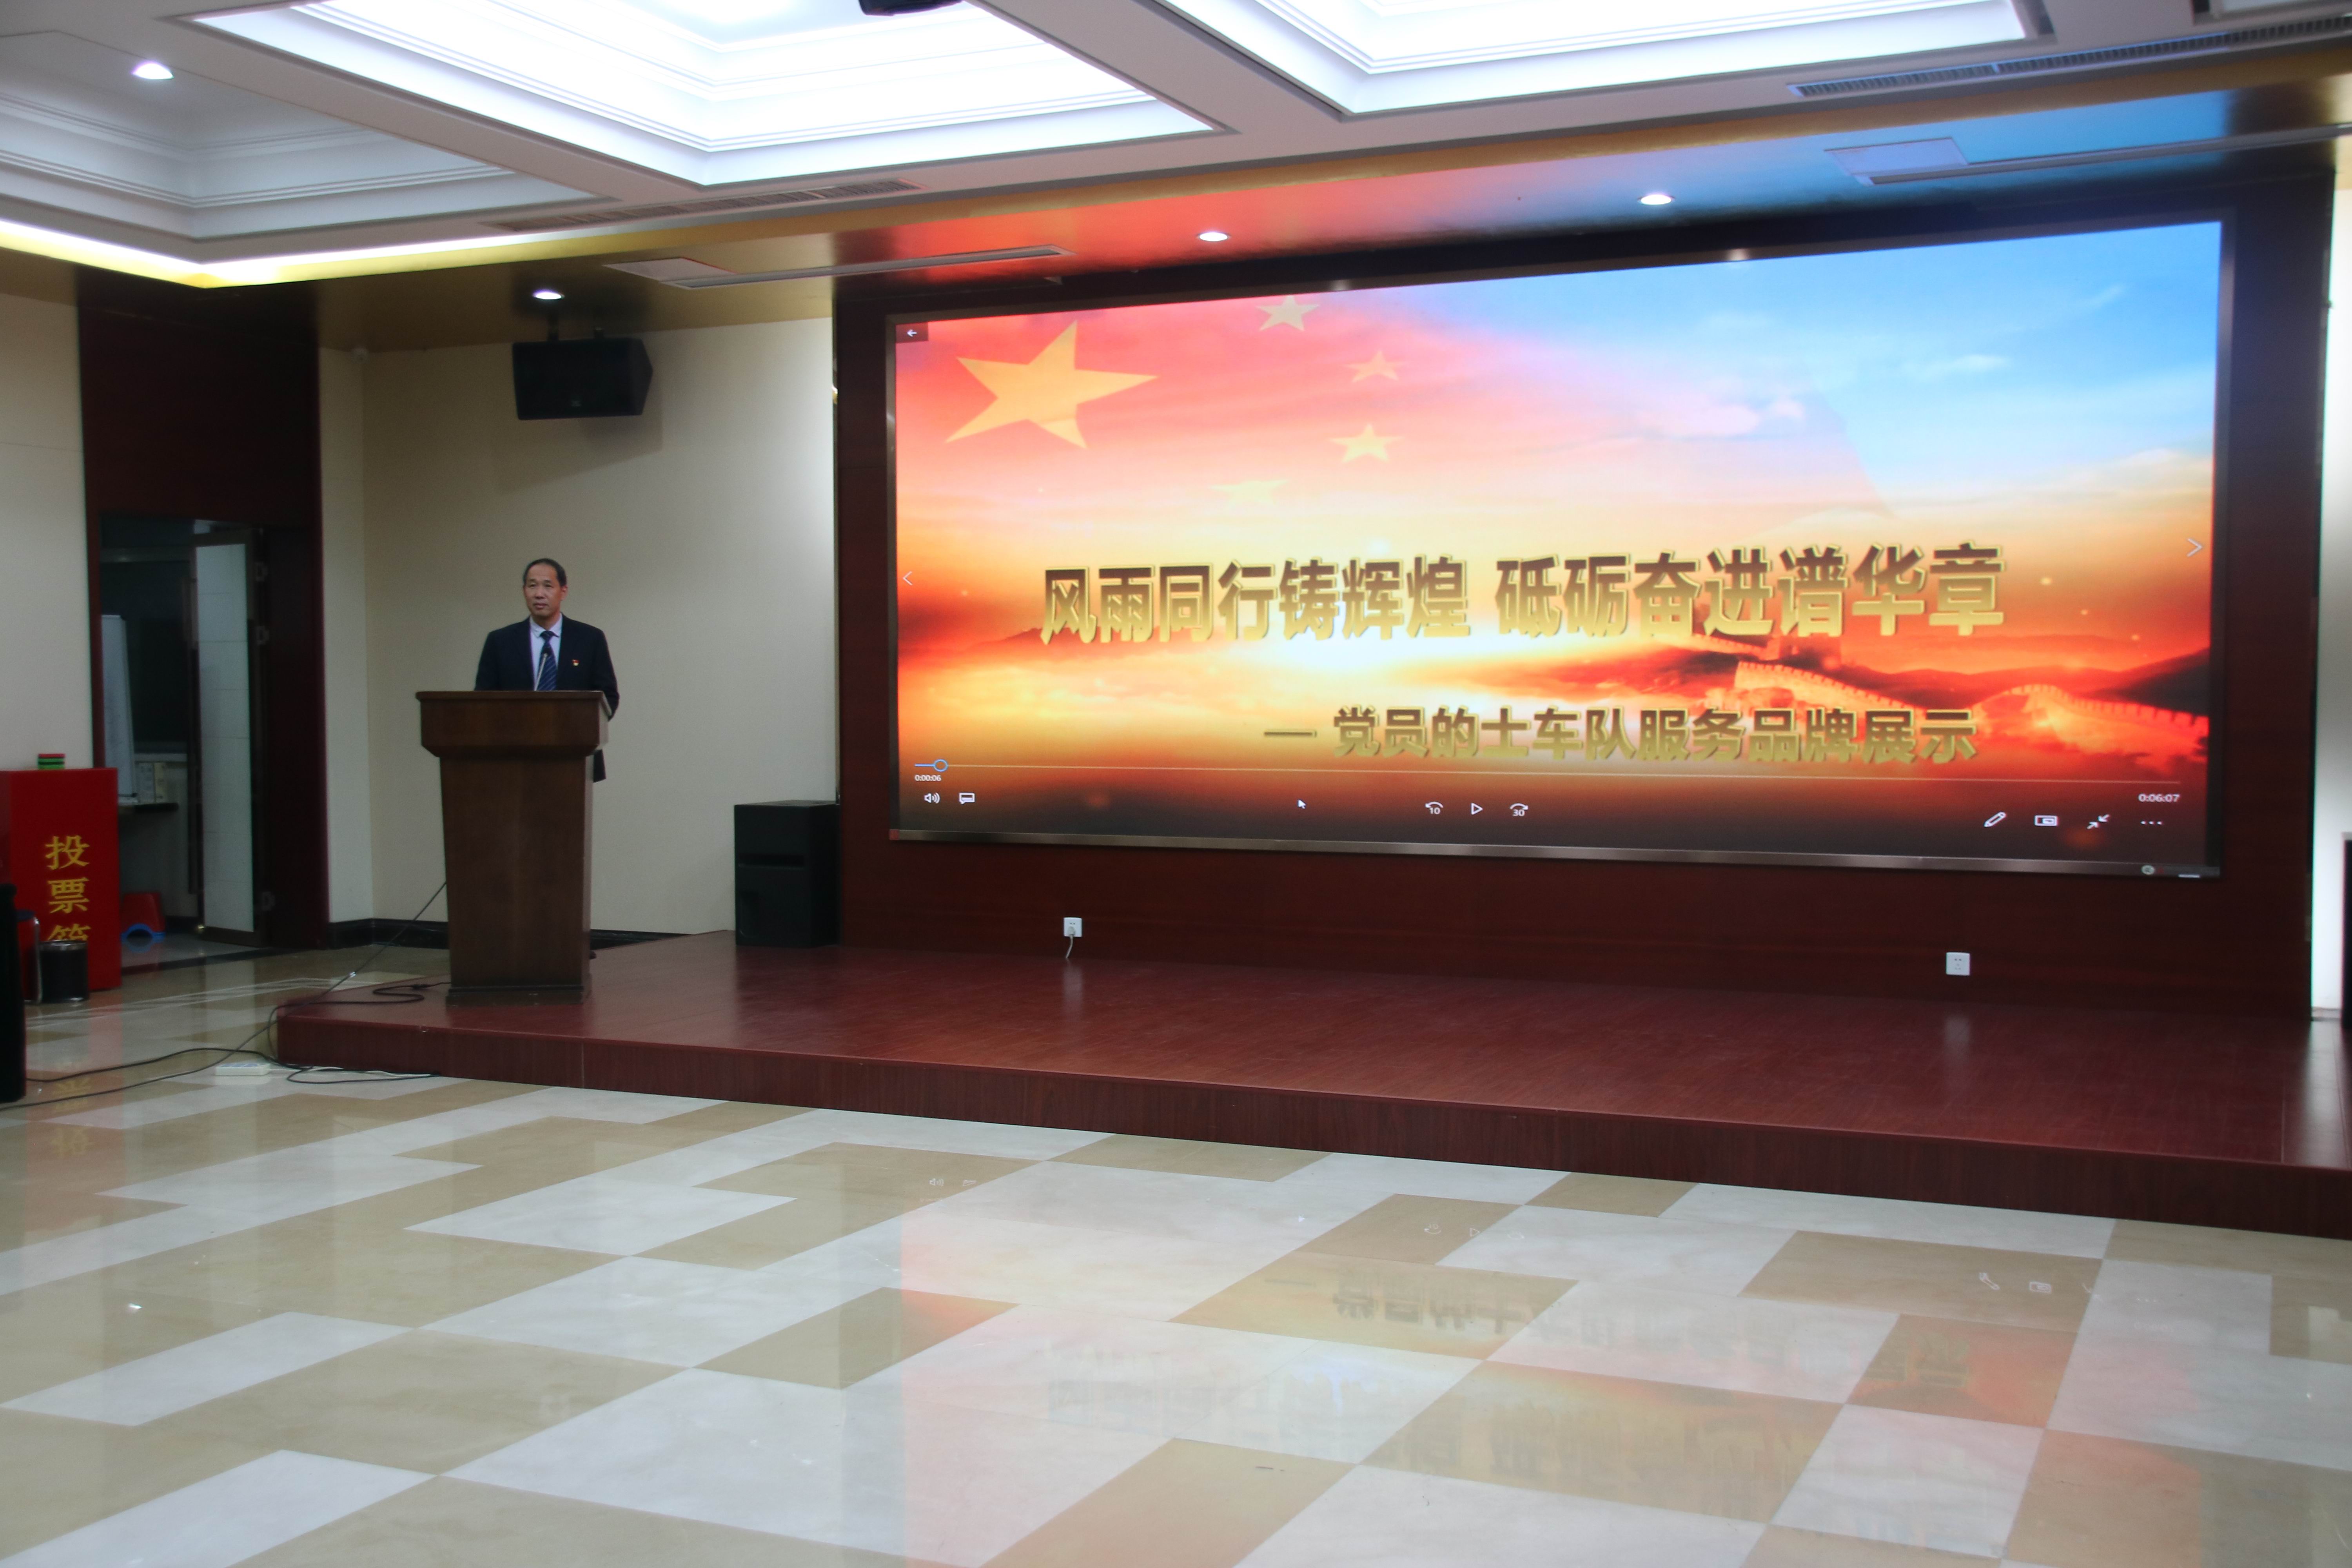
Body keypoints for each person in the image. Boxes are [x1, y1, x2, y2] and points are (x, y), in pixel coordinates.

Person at [474, 558, 620, 780]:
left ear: (563, 591)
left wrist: (580, 732)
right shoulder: (500, 641)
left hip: (574, 756)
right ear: (524, 591)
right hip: (514, 756)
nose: (539, 594)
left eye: (548, 586)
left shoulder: (590, 639)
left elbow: (608, 697)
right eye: (532, 586)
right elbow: (483, 700)